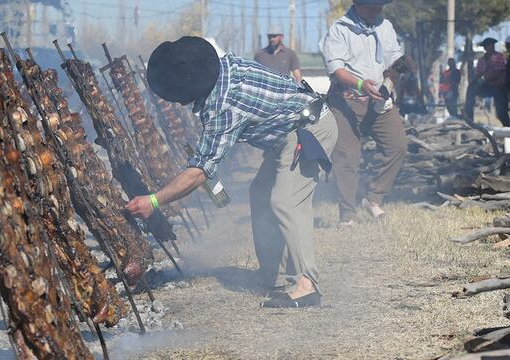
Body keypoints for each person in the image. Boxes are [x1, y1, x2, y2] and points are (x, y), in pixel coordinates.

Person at [126, 37, 338, 308]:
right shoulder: (225, 68)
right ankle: (272, 276)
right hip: (287, 134)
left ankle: (307, 286)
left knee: (286, 202)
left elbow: (199, 171)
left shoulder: (224, 107)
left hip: (311, 131)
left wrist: (153, 201)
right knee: (260, 194)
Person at [319, 0, 407, 225]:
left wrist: (389, 81)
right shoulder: (340, 29)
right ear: (358, 5)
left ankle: (374, 197)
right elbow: (336, 70)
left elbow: (395, 61)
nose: (378, 11)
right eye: (373, 7)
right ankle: (347, 214)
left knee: (397, 146)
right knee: (347, 157)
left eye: (380, 6)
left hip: (380, 101)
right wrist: (360, 85)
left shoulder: (385, 26)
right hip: (345, 101)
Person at [464, 37, 509, 126]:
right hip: (487, 85)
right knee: (471, 89)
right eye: (486, 46)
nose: (487, 48)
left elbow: (499, 72)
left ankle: (507, 125)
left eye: (489, 45)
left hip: (499, 86)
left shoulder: (499, 57)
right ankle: (469, 117)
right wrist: (473, 82)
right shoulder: (482, 60)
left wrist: (488, 77)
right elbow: (478, 73)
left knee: (501, 112)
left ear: (492, 46)